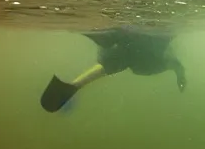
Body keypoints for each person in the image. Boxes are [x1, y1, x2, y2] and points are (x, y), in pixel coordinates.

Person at [40, 26, 187, 112]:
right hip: (140, 51)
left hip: (137, 50)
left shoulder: (154, 54)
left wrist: (180, 75)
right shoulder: (159, 53)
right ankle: (73, 87)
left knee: (117, 58)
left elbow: (176, 66)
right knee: (118, 57)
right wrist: (181, 76)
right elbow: (176, 65)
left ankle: (73, 87)